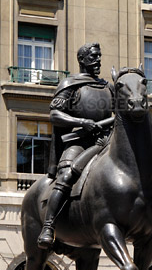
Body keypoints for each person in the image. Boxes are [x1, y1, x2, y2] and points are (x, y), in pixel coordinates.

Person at [37, 42, 115, 248]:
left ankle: (149, 230)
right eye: (94, 56)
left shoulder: (108, 87)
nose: (98, 60)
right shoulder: (70, 85)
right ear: (82, 60)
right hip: (79, 142)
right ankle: (48, 225)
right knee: (67, 175)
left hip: (105, 141)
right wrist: (82, 123)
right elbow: (55, 114)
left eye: (99, 56)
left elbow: (121, 113)